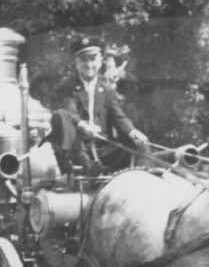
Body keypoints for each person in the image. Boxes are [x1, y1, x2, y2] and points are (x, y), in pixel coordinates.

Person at [46, 35, 148, 174]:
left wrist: (132, 132)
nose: (89, 65)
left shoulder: (106, 89)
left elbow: (119, 116)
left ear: (100, 61)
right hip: (77, 150)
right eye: (83, 60)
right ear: (76, 63)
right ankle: (89, 167)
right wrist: (83, 126)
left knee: (140, 143)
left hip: (103, 150)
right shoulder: (67, 86)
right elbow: (69, 113)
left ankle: (144, 177)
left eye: (93, 59)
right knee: (59, 116)